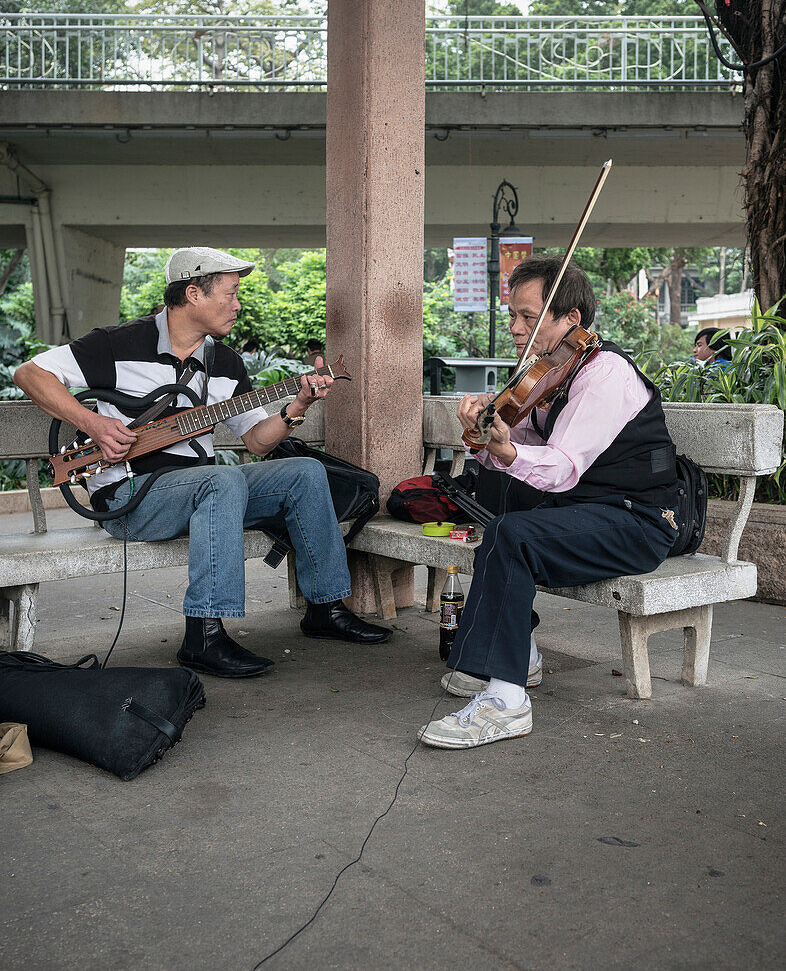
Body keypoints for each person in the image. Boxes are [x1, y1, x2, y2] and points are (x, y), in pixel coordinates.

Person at [14, 247, 390, 679]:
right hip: (131, 499)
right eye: (229, 294)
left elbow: (258, 442)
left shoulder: (225, 363)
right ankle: (204, 637)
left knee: (304, 472)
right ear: (193, 293)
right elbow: (29, 374)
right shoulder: (115, 344)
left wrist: (297, 405)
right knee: (219, 481)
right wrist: (92, 422)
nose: (237, 305)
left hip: (206, 493)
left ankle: (325, 608)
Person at [418, 255, 680, 749]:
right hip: (585, 513)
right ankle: (522, 654)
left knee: (511, 534)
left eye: (528, 317)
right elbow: (508, 451)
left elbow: (559, 468)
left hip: (639, 520)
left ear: (570, 321)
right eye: (512, 315)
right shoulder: (546, 375)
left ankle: (507, 699)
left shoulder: (606, 376)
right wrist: (482, 436)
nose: (516, 329)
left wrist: (507, 452)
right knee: (500, 513)